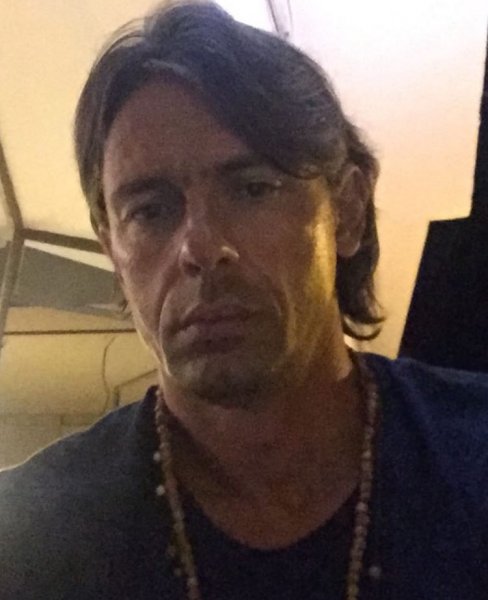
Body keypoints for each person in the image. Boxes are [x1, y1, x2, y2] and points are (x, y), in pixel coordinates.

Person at [1, 2, 487, 599]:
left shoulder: (472, 459)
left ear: (347, 211)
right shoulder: (29, 541)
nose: (201, 248)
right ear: (113, 250)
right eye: (150, 211)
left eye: (252, 189)